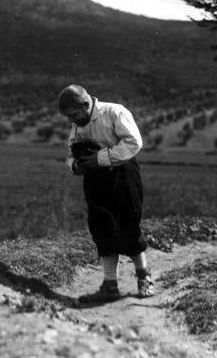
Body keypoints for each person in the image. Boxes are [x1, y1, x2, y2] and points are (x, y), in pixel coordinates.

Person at [58, 84, 154, 300]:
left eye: (73, 115)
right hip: (95, 179)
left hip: (122, 175)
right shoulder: (77, 123)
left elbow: (134, 142)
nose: (71, 121)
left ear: (85, 104)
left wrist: (100, 158)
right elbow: (70, 152)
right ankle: (110, 285)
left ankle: (144, 277)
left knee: (128, 224)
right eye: (68, 117)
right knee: (101, 227)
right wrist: (76, 166)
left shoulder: (113, 112)